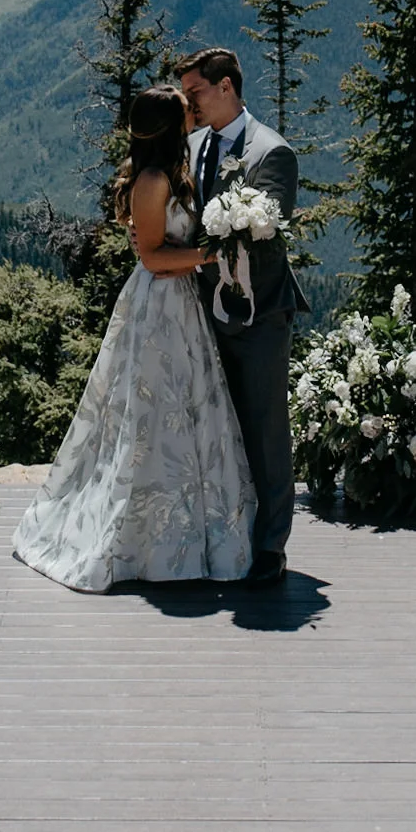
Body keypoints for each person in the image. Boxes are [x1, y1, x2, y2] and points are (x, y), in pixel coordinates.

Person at [12, 84, 256, 591]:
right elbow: (151, 257)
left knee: (187, 413)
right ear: (170, 127)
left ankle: (190, 532)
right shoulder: (151, 180)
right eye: (185, 111)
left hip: (181, 305)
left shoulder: (173, 172)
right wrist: (211, 256)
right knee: (152, 419)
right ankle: (145, 537)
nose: (194, 114)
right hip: (158, 308)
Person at [178, 46, 307, 587]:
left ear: (227, 87)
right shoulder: (193, 145)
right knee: (213, 430)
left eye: (196, 93)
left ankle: (271, 546)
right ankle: (223, 536)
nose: (190, 105)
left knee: (264, 430)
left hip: (256, 315)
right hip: (196, 313)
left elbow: (263, 238)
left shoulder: (271, 153)